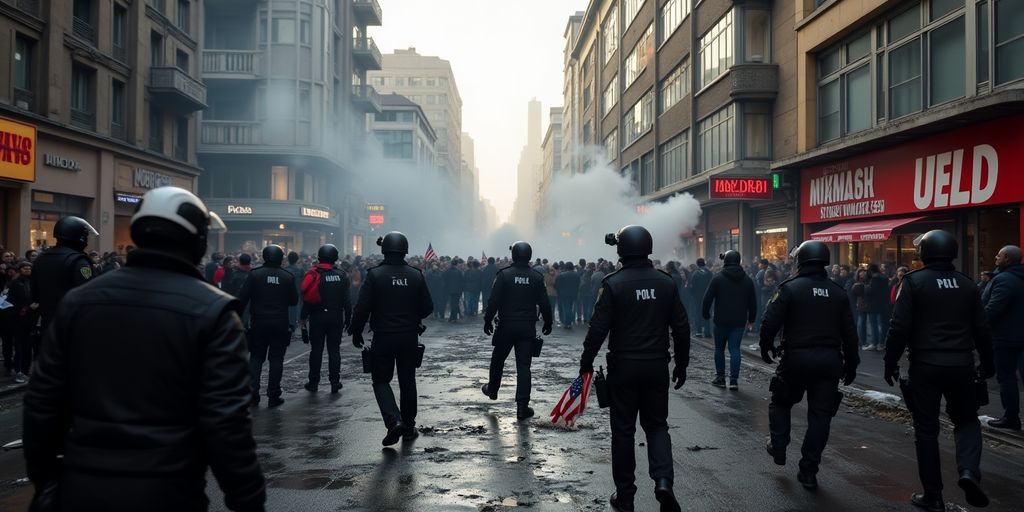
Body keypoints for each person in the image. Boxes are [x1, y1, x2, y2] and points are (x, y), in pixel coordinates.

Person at [23, 186, 266, 512]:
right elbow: (227, 423)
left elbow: (42, 403)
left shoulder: (78, 302)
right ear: (198, 241)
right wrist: (248, 499)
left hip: (82, 486)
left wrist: (46, 481)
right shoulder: (215, 311)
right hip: (168, 490)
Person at [578, 225, 689, 512]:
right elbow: (681, 327)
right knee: (657, 426)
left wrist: (586, 361)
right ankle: (663, 482)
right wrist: (682, 363)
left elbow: (598, 328)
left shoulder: (612, 283)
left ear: (621, 250)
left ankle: (625, 496)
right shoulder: (666, 283)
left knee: (623, 431)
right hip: (656, 365)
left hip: (624, 367)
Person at [883, 230, 994, 511]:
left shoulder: (913, 282)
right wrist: (987, 363)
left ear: (924, 252)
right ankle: (968, 470)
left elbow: (899, 327)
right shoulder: (967, 284)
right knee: (967, 421)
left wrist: (890, 362)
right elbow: (982, 329)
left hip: (926, 365)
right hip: (961, 364)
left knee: (926, 429)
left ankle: (933, 495)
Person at [760, 241, 859, 490]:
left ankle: (779, 445)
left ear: (801, 260)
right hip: (829, 361)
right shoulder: (838, 292)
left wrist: (765, 345)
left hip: (796, 359)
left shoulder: (789, 288)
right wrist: (852, 363)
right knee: (820, 417)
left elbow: (770, 321)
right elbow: (850, 333)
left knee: (780, 402)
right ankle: (809, 471)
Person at [349, 232, 433, 446]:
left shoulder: (375, 275)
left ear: (384, 250)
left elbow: (362, 307)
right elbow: (427, 308)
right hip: (409, 336)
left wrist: (356, 330)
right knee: (408, 381)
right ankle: (409, 427)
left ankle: (393, 420)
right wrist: (411, 315)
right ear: (405, 250)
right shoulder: (416, 275)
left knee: (380, 380)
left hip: (383, 336)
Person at [482, 241, 553, 420]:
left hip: (505, 325)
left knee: (498, 359)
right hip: (527, 327)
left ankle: (492, 390)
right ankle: (522, 407)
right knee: (524, 366)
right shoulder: (537, 277)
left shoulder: (504, 275)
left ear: (513, 255)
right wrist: (548, 322)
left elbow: (493, 301)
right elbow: (545, 303)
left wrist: (487, 320)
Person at [237, 245, 298, 407]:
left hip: (259, 322)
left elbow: (242, 298)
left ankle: (253, 393)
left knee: (256, 357)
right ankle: (273, 394)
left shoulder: (255, 274)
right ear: (280, 258)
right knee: (276, 359)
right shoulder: (287, 277)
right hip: (280, 323)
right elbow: (294, 301)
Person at [981, 245, 1024, 430]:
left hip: (1006, 337)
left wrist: (978, 324)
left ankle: (1011, 417)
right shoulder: (1017, 277)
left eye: (998, 255)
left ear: (1006, 258)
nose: (996, 258)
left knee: (1007, 378)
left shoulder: (1004, 279)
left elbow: (993, 309)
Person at [701, 250, 757, 390]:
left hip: (720, 320)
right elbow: (753, 302)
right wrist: (751, 319)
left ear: (725, 261)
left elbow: (707, 298)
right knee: (735, 349)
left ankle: (720, 378)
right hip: (739, 321)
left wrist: (705, 314)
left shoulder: (718, 278)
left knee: (719, 349)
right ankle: (733, 381)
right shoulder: (747, 280)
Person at [30, 216, 97, 329]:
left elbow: (34, 294)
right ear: (79, 236)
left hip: (48, 322)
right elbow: (89, 294)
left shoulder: (41, 258)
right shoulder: (78, 260)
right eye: (85, 235)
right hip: (72, 323)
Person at [301, 244, 351, 394]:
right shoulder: (341, 275)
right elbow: (347, 300)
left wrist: (303, 320)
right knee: (334, 350)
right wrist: (348, 318)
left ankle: (313, 382)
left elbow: (307, 299)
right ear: (335, 257)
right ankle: (335, 382)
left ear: (319, 257)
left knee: (316, 350)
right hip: (336, 316)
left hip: (317, 316)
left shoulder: (313, 274)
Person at [7, 261, 37, 384]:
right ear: (20, 270)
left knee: (28, 347)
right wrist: (28, 307)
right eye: (25, 268)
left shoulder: (34, 282)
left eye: (29, 268)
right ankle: (18, 372)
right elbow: (12, 302)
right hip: (18, 320)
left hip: (31, 319)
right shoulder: (15, 283)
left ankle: (25, 371)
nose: (27, 269)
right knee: (19, 347)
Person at [689, 258, 712, 337]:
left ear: (697, 264)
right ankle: (707, 332)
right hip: (708, 297)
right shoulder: (709, 273)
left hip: (697, 298)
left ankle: (698, 332)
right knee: (707, 313)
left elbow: (692, 286)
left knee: (698, 314)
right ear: (704, 263)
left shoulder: (695, 274)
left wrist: (693, 295)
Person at [555, 262, 581, 329]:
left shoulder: (561, 275)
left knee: (566, 308)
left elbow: (556, 285)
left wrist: (559, 292)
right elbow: (578, 285)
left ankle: (567, 323)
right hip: (573, 294)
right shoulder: (577, 275)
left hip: (564, 294)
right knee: (570, 307)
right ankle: (569, 322)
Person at [285, 251, 304, 332]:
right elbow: (303, 283)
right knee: (296, 309)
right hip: (297, 293)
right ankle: (294, 326)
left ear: (288, 259)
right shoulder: (300, 270)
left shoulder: (284, 270)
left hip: (286, 295)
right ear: (297, 259)